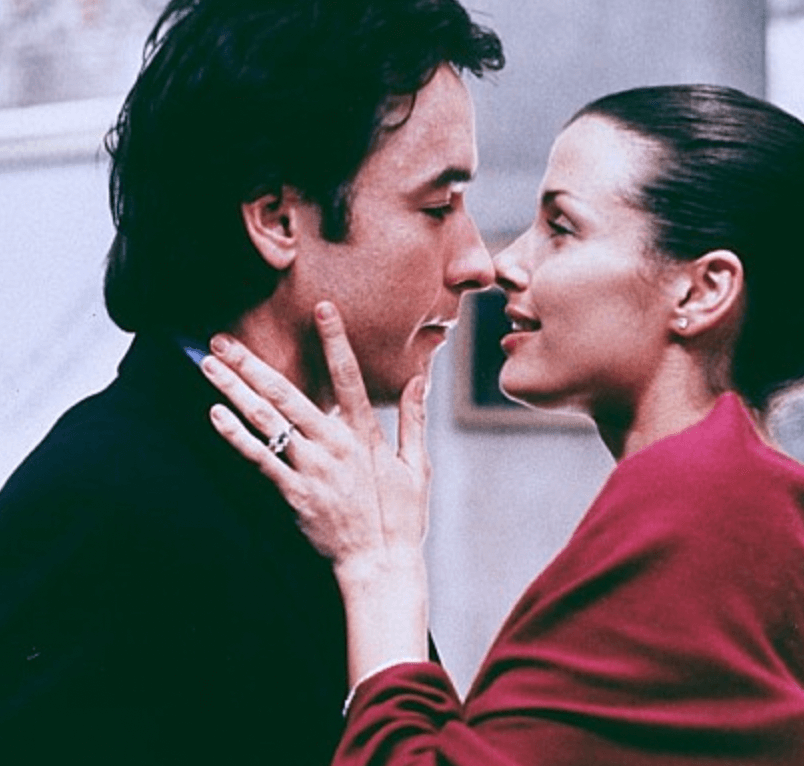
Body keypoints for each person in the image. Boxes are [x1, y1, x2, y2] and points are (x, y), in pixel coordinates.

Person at [202, 84, 804, 764]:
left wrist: (380, 567)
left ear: (701, 290)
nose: (504, 264)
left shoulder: (702, 505)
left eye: (561, 228)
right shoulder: (739, 497)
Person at [0, 1, 503, 763]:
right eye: (438, 206)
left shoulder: (318, 487)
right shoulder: (105, 499)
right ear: (276, 219)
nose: (477, 263)